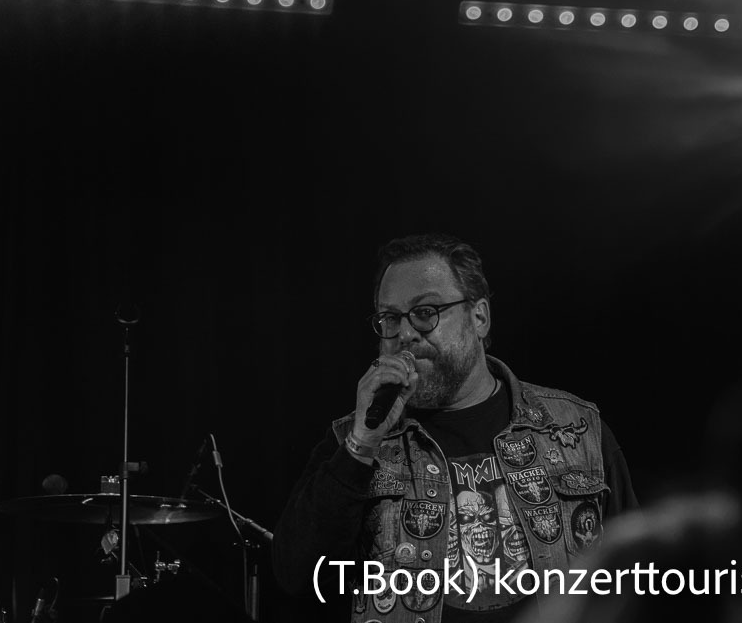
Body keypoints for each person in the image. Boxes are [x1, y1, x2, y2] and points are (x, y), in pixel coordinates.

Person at [273, 233, 637, 623]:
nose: (405, 334)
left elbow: (638, 578)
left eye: (425, 311)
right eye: (391, 318)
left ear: (479, 317)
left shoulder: (575, 428)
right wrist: (361, 444)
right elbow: (298, 578)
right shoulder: (353, 441)